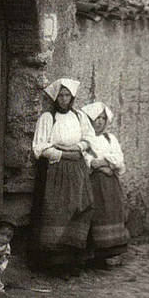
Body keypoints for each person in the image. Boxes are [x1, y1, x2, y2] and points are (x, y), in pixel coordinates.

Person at [31, 78, 95, 277]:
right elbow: (39, 147)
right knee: (57, 211)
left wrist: (77, 148)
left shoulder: (79, 116)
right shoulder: (48, 118)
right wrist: (63, 154)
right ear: (55, 97)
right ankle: (56, 263)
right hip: (55, 171)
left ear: (72, 98)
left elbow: (89, 138)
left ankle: (74, 260)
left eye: (67, 96)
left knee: (80, 207)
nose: (64, 99)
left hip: (77, 170)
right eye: (61, 95)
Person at [81, 101, 131, 268]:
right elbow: (89, 162)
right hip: (93, 183)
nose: (100, 121)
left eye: (103, 118)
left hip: (110, 185)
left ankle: (108, 254)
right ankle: (92, 254)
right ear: (90, 120)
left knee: (111, 213)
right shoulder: (85, 139)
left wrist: (106, 163)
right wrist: (105, 166)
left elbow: (119, 160)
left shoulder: (110, 138)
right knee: (96, 215)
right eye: (97, 118)